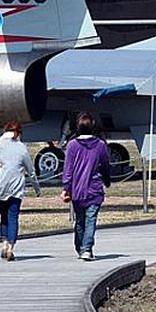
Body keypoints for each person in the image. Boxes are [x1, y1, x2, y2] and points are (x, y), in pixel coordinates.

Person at [0, 121, 41, 261]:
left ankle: (4, 244)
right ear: (18, 133)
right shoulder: (21, 148)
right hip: (16, 189)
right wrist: (36, 188)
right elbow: (31, 171)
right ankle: (11, 248)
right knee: (13, 217)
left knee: (3, 216)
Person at [61, 112, 111, 261]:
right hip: (94, 188)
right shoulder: (100, 145)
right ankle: (85, 248)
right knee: (90, 220)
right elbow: (105, 166)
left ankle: (83, 247)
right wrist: (107, 180)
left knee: (81, 220)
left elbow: (68, 169)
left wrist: (66, 187)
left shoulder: (72, 145)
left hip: (78, 189)